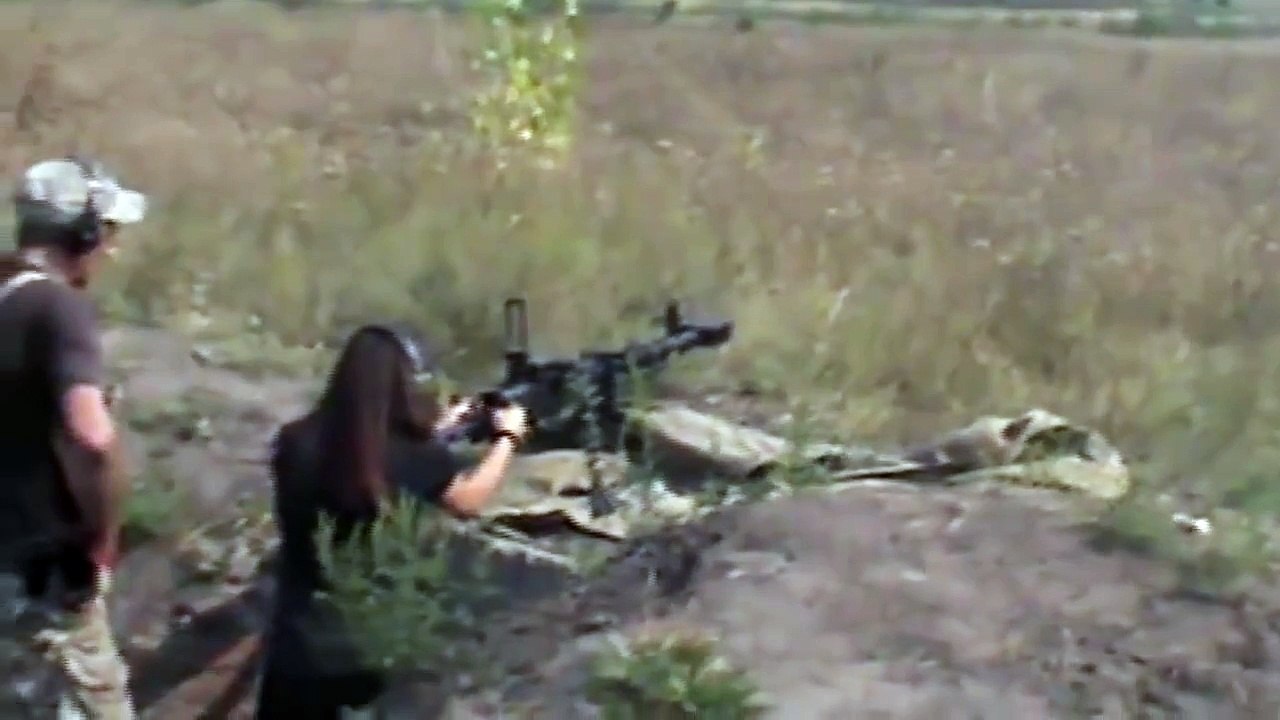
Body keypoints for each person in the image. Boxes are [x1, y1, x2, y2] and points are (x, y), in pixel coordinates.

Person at [255, 323, 531, 719]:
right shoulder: (413, 456)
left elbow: (364, 452)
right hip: (367, 644)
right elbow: (468, 499)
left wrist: (440, 433)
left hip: (296, 649)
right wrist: (508, 439)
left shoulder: (294, 441)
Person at [0, 157, 148, 719]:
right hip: (43, 570)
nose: (110, 248)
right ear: (83, 233)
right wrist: (104, 537)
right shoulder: (58, 308)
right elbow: (91, 436)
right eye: (106, 232)